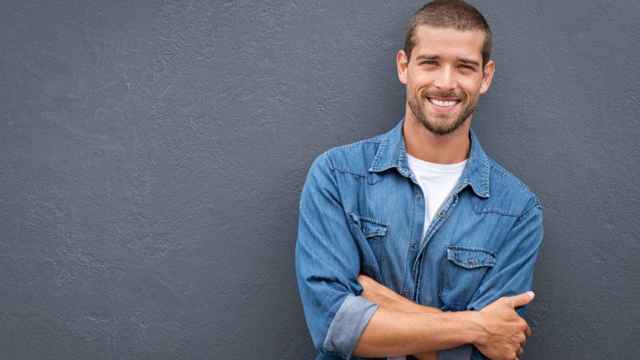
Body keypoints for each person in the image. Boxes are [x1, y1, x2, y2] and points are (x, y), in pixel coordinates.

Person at [295, 1, 544, 359]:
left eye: (464, 67)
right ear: (403, 67)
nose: (446, 83)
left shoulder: (517, 210)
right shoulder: (337, 176)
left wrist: (375, 299)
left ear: (485, 77)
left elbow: (485, 352)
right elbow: (334, 326)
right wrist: (474, 326)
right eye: (430, 63)